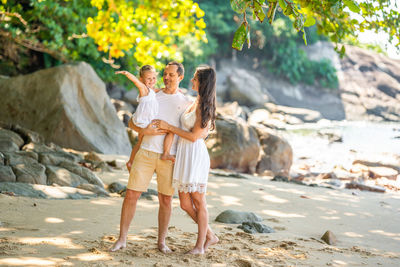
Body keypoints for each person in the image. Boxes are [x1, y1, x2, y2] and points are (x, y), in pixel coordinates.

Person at [110, 62, 191, 253]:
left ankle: (161, 242)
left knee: (166, 200)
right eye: (165, 74)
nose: (167, 77)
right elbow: (131, 122)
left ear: (180, 77)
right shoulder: (153, 93)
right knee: (131, 195)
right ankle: (122, 239)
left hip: (168, 157)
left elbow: (189, 132)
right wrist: (143, 130)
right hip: (145, 152)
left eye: (171, 75)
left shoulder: (186, 102)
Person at [153, 65, 219, 254]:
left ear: (203, 82)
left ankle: (200, 246)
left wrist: (168, 127)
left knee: (199, 201)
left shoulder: (206, 105)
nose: (192, 80)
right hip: (184, 153)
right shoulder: (195, 101)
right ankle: (211, 236)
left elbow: (193, 136)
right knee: (184, 203)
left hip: (194, 154)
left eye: (195, 78)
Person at [115, 65, 175, 173]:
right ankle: (166, 153)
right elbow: (136, 83)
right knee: (170, 131)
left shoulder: (151, 91)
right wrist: (127, 74)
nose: (152, 81)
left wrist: (170, 89)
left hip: (144, 120)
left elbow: (159, 90)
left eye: (153, 78)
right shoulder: (144, 89)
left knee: (140, 141)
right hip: (144, 121)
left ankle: (130, 161)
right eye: (148, 79)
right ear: (141, 80)